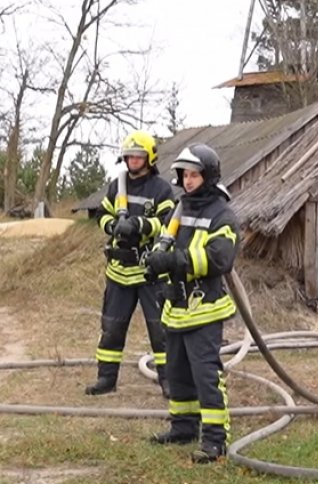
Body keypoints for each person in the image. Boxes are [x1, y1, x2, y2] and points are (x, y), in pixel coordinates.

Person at [145, 143, 239, 464]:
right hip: (176, 307)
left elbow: (220, 257)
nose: (188, 180)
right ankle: (183, 427)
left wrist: (175, 262)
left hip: (204, 307)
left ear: (208, 176)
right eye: (185, 174)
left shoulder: (221, 213)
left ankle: (215, 439)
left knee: (205, 374)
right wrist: (155, 259)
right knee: (177, 371)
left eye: (194, 175)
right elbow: (165, 241)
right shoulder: (180, 208)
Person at [86, 130, 175, 397]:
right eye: (129, 156)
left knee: (160, 331)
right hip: (118, 272)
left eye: (138, 156)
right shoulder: (117, 185)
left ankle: (169, 382)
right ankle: (106, 379)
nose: (133, 160)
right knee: (111, 328)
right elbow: (101, 214)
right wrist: (113, 225)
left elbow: (168, 224)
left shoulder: (161, 189)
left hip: (149, 273)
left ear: (149, 158)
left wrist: (139, 225)